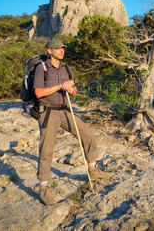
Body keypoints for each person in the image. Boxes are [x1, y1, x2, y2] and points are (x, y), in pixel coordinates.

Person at [34, 39, 112, 206]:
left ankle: (92, 170)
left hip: (64, 110)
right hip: (47, 111)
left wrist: (71, 88)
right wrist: (59, 86)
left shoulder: (67, 68)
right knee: (47, 148)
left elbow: (75, 92)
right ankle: (44, 187)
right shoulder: (42, 68)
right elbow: (38, 93)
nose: (61, 51)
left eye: (63, 48)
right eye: (58, 48)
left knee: (88, 134)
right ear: (50, 50)